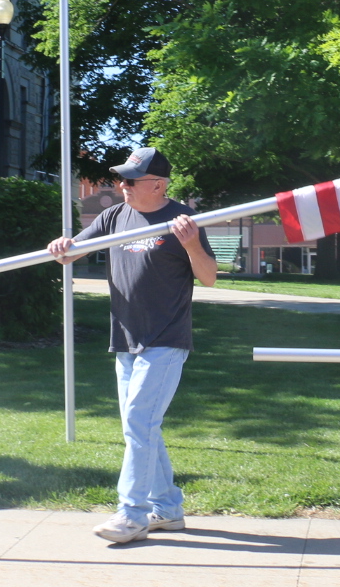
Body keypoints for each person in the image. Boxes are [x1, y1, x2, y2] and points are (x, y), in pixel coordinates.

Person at [46, 147, 216, 545]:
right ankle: (169, 510)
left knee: (140, 424)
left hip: (166, 339)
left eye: (130, 180)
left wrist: (191, 244)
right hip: (125, 338)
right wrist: (62, 247)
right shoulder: (114, 216)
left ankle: (132, 515)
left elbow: (208, 277)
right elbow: (74, 253)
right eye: (121, 178)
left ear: (158, 185)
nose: (121, 186)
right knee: (141, 428)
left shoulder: (183, 222)